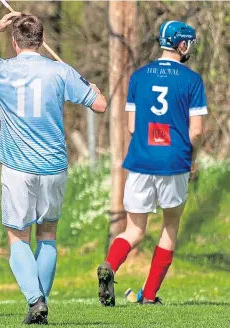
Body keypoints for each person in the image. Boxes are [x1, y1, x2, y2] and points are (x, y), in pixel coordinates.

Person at [0, 13, 107, 324]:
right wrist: (91, 88)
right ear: (42, 41)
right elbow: (100, 105)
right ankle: (39, 307)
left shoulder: (1, 68)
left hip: (18, 166)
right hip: (54, 166)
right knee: (48, 235)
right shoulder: (60, 71)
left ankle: (35, 300)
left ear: (14, 42)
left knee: (18, 237)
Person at [97, 21, 206, 306]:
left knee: (133, 229)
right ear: (181, 45)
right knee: (170, 226)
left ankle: (109, 264)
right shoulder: (192, 80)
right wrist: (191, 157)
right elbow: (196, 131)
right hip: (174, 161)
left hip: (141, 160)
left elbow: (133, 127)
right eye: (189, 43)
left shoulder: (138, 76)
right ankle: (149, 295)